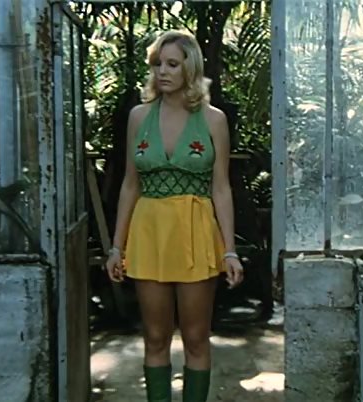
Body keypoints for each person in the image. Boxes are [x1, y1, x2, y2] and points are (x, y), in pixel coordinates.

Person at [104, 29, 244, 402]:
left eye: (172, 64)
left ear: (190, 68)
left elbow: (221, 188)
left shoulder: (213, 120)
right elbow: (130, 184)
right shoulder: (138, 117)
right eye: (157, 64)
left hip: (196, 232)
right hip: (149, 232)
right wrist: (117, 246)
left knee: (196, 337)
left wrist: (229, 250)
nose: (162, 72)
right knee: (154, 336)